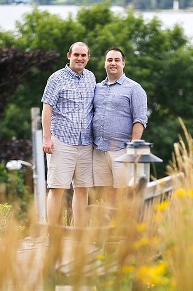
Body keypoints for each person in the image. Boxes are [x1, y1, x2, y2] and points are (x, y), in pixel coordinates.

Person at [41, 41, 95, 227]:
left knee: (82, 189)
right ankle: (53, 232)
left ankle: (79, 231)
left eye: (83, 55)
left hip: (86, 143)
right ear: (69, 56)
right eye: (76, 55)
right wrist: (46, 138)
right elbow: (46, 109)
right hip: (61, 141)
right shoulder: (56, 78)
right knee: (57, 188)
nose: (79, 58)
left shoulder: (91, 78)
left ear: (88, 58)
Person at [92, 46, 149, 205]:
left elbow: (140, 119)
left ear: (123, 63)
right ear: (105, 63)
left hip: (122, 150)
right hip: (100, 150)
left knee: (124, 193)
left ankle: (126, 227)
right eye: (109, 60)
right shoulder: (97, 88)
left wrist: (133, 149)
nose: (113, 63)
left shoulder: (134, 88)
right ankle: (112, 228)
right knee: (108, 194)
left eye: (117, 60)